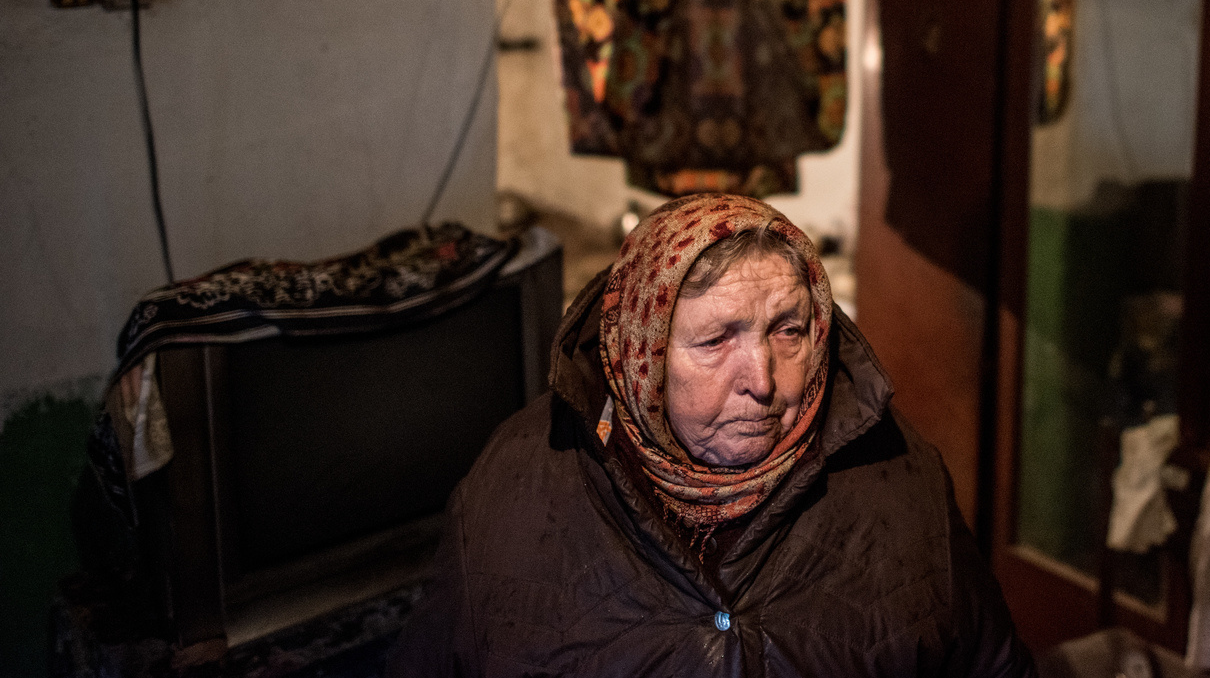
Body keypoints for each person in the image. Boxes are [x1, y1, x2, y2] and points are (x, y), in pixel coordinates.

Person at [387, 194, 1036, 677]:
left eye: (788, 331)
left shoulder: (899, 473)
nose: (762, 379)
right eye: (716, 339)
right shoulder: (518, 482)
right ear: (643, 355)